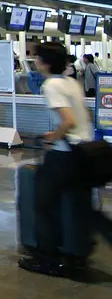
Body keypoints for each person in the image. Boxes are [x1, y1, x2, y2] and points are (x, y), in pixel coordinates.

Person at [19, 42, 95, 276]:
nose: (36, 61)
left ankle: (47, 259)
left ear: (46, 62)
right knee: (78, 204)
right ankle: (77, 254)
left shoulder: (51, 85)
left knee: (43, 204)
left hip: (65, 155)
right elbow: (84, 116)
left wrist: (53, 138)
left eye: (38, 58)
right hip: (85, 153)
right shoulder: (72, 82)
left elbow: (68, 120)